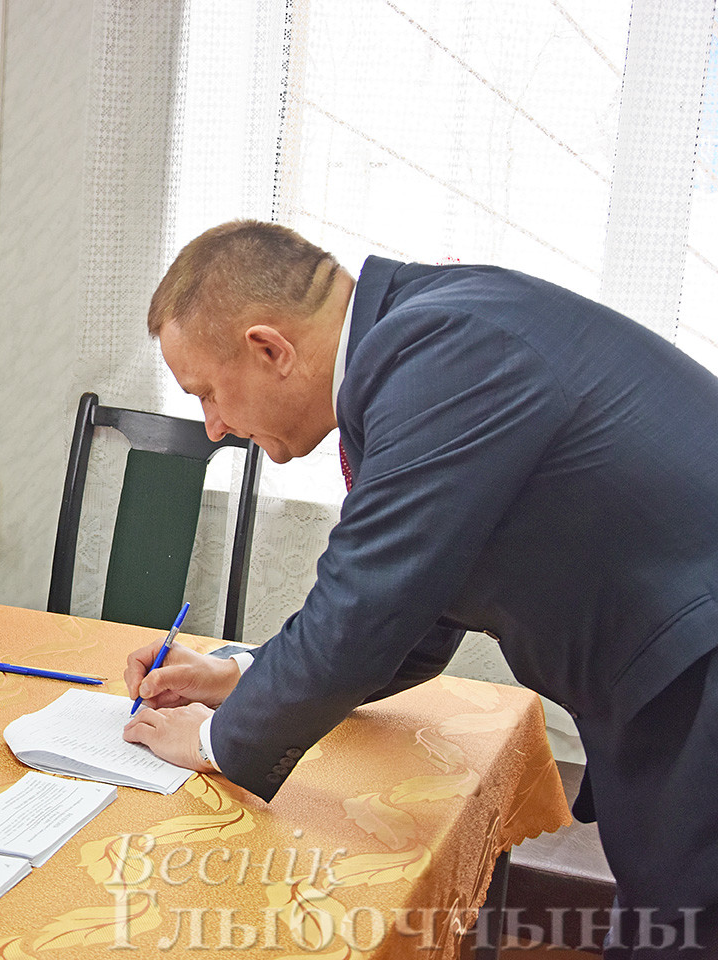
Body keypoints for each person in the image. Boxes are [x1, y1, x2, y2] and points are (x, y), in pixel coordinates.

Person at [121, 219, 718, 955]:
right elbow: (413, 609)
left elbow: (365, 601)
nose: (212, 428)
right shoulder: (423, 341)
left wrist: (216, 742)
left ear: (268, 348)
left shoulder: (443, 352)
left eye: (207, 393)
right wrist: (231, 676)